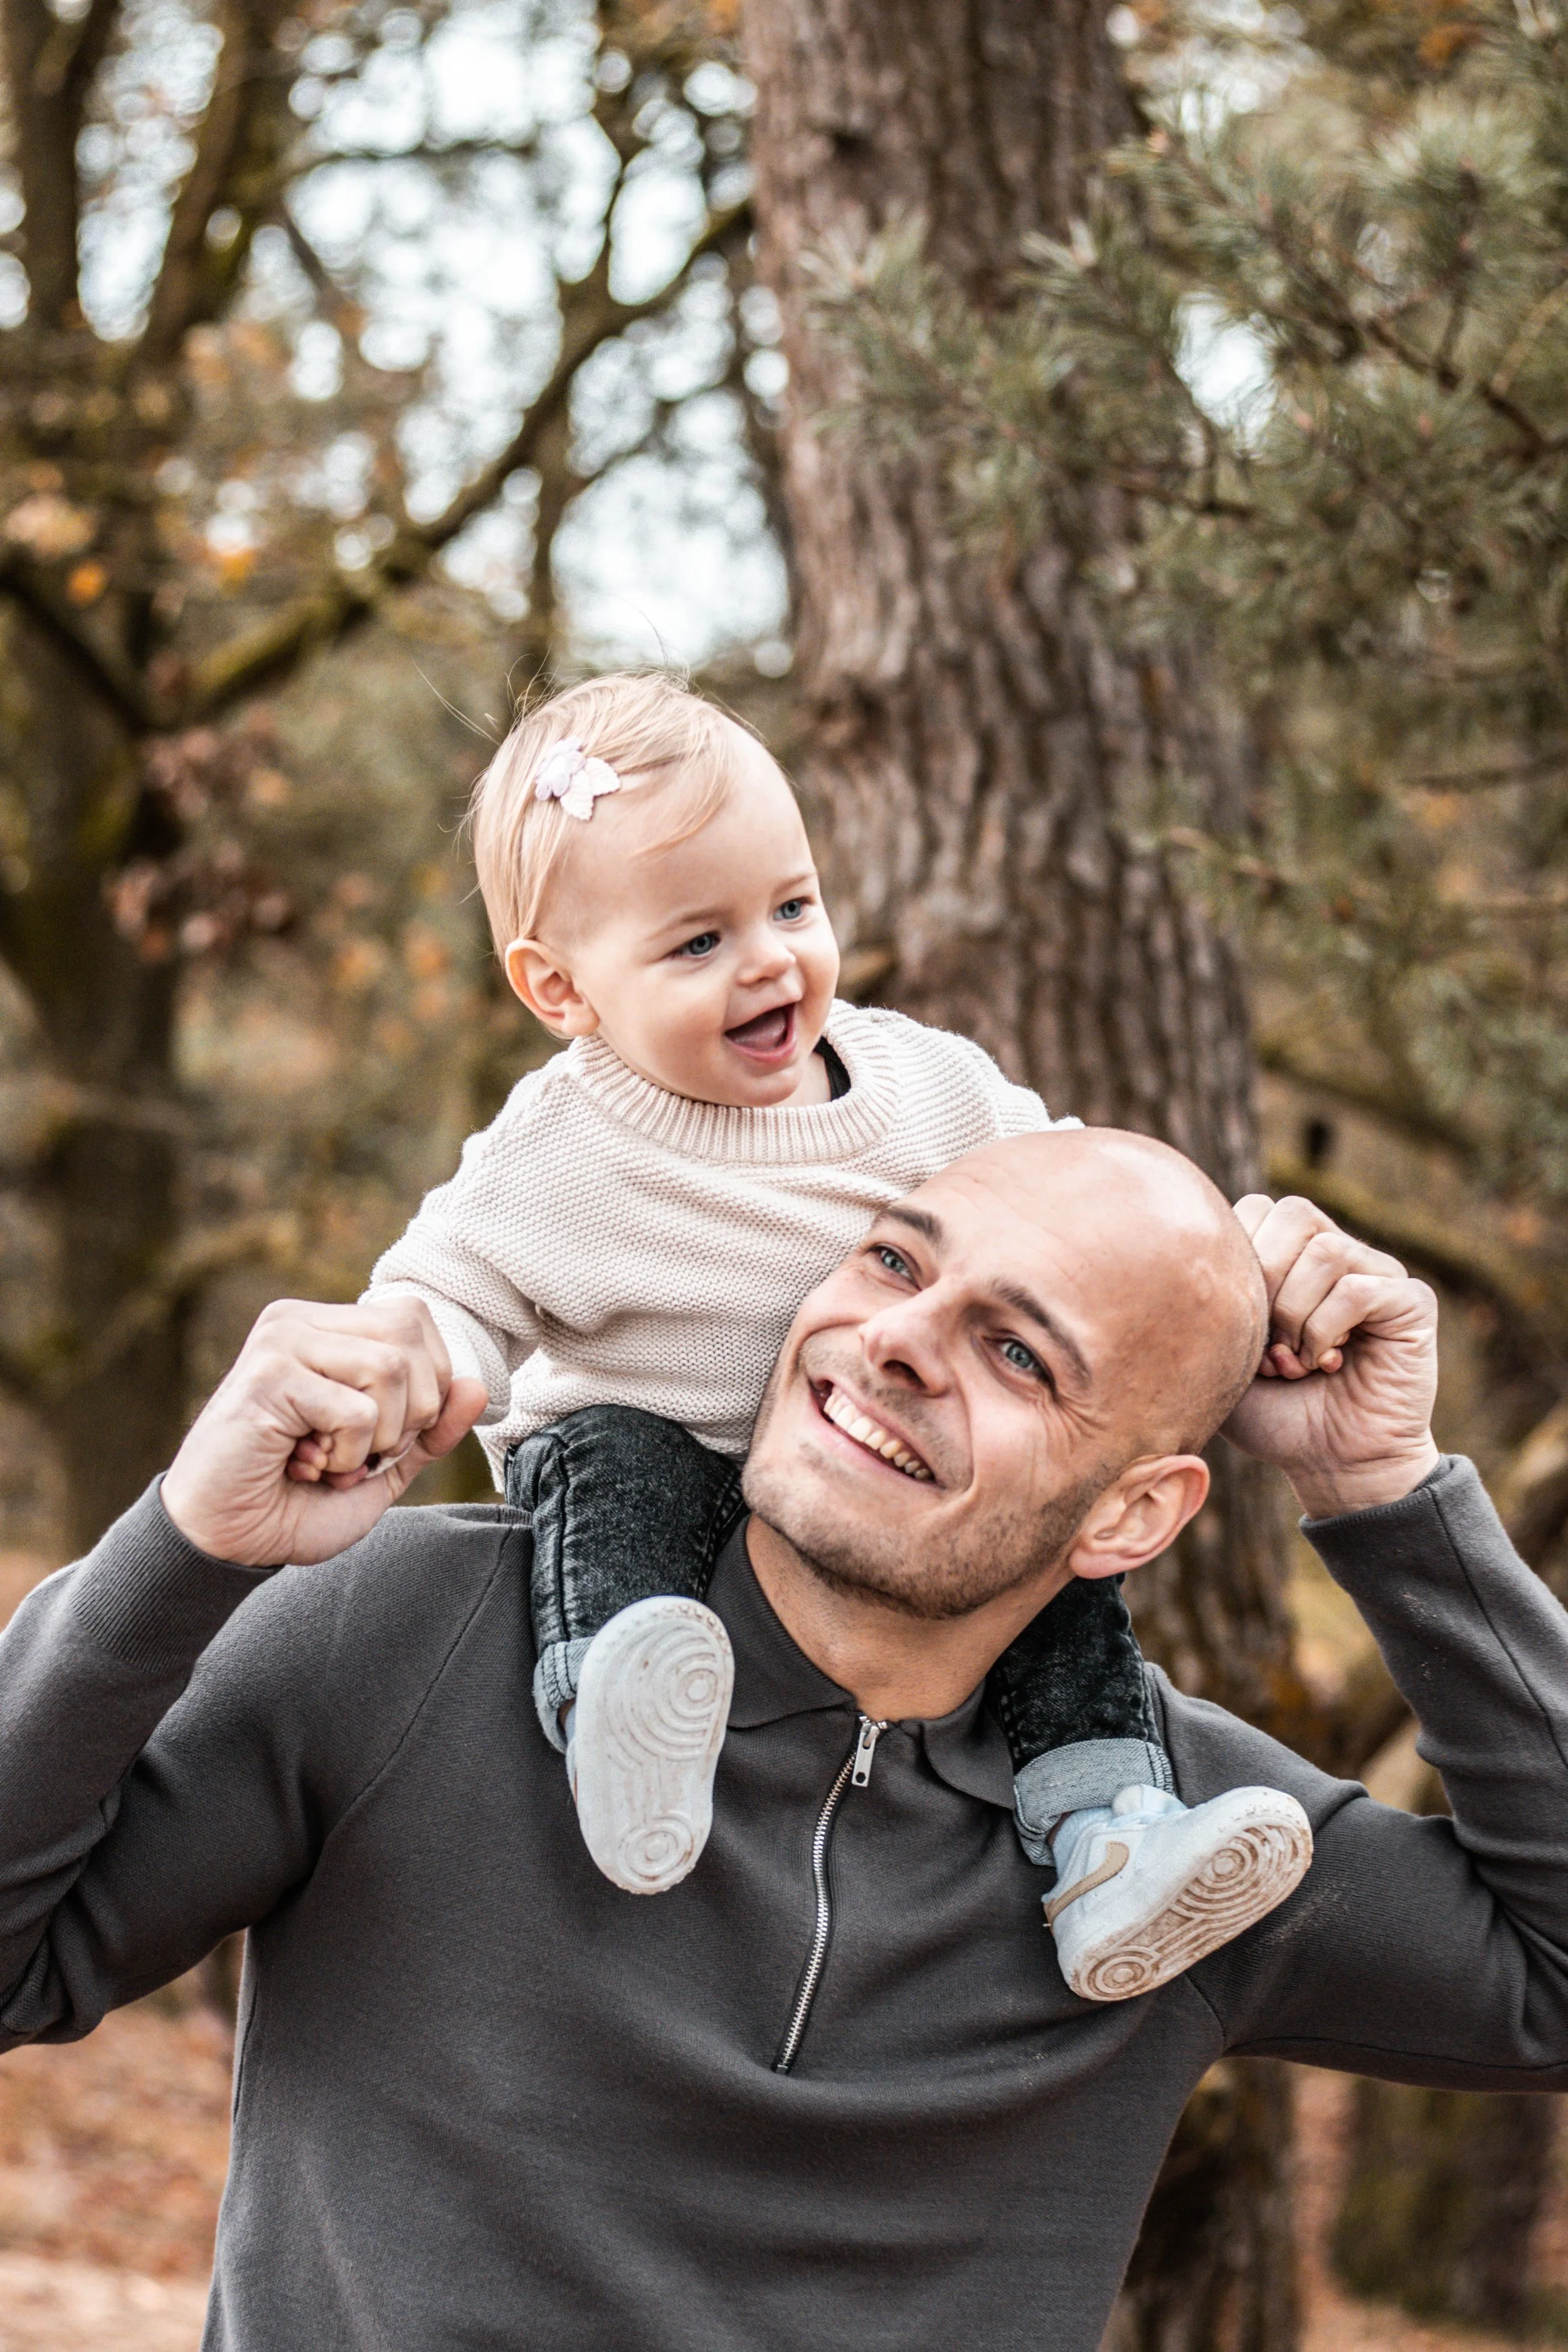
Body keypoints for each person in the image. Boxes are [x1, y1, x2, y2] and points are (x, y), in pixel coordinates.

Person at [3, 1132, 1567, 2352]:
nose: (896, 1339)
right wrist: (184, 1546)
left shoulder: (1172, 1844)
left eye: (1018, 1354)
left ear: (1131, 1514)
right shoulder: (406, 1633)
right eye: (892, 1260)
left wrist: (1383, 1491)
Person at [337, 670, 1308, 2000]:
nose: (769, 961)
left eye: (792, 907)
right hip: (653, 1466)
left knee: (1060, 1585)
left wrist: (1241, 1280)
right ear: (560, 988)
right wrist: (403, 1365)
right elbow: (446, 1286)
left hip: (875, 1493)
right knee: (611, 1463)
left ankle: (1107, 1838)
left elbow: (1090, 1206)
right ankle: (624, 1724)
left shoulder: (926, 1082)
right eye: (697, 944)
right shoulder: (564, 1147)